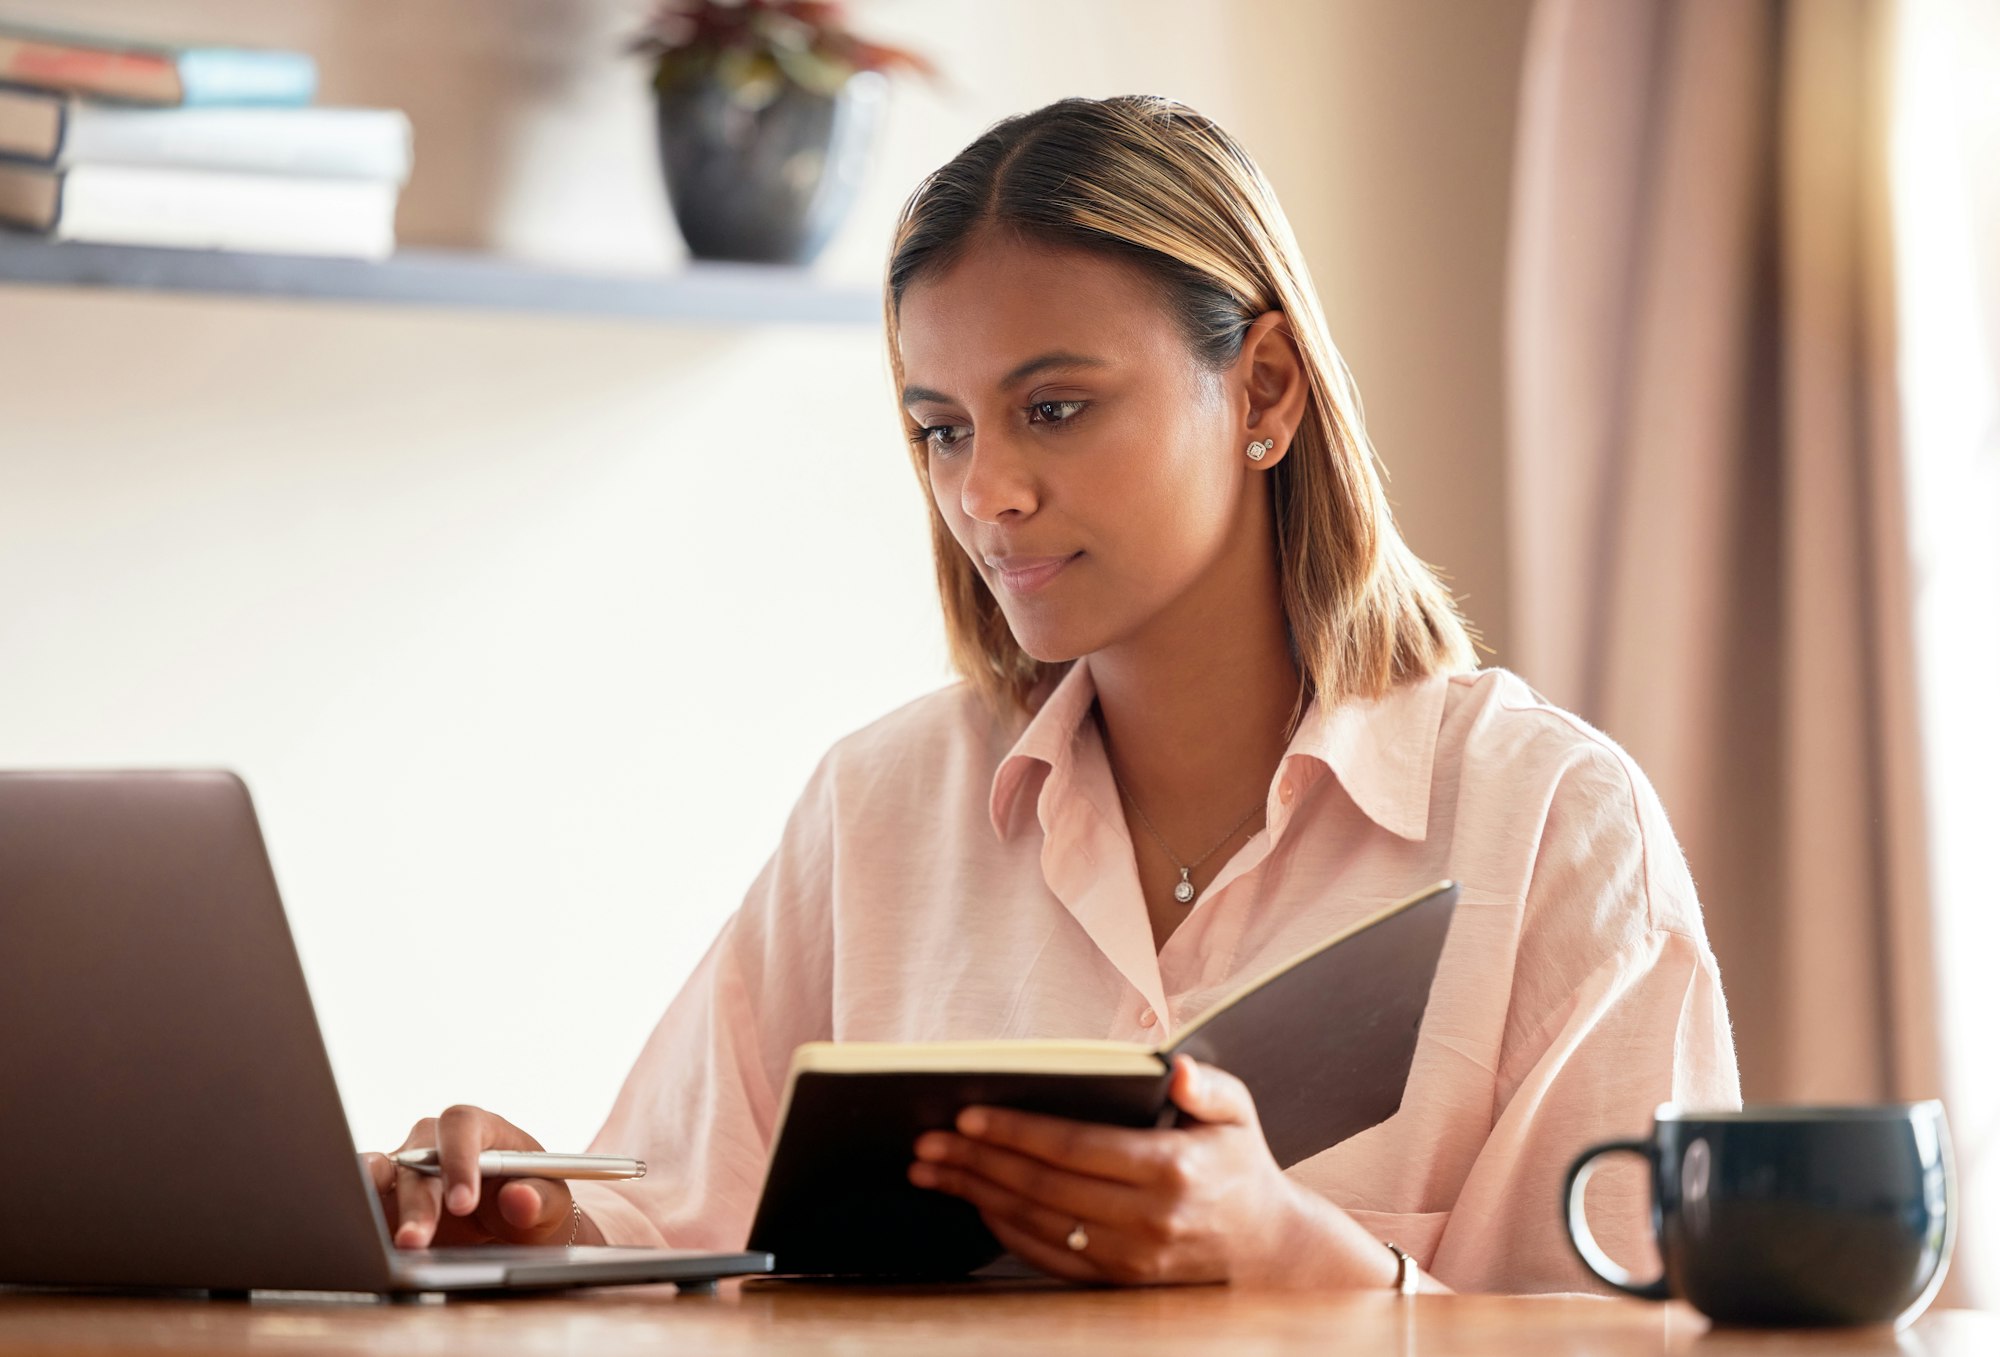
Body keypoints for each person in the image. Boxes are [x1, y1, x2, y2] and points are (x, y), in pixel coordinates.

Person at [365, 94, 1741, 1293]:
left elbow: (1641, 1336)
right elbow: (678, 1214)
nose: (985, 492)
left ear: (1263, 388)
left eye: (1056, 408)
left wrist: (1301, 1260)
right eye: (941, 429)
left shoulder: (1553, 826)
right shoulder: (881, 809)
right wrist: (532, 1219)